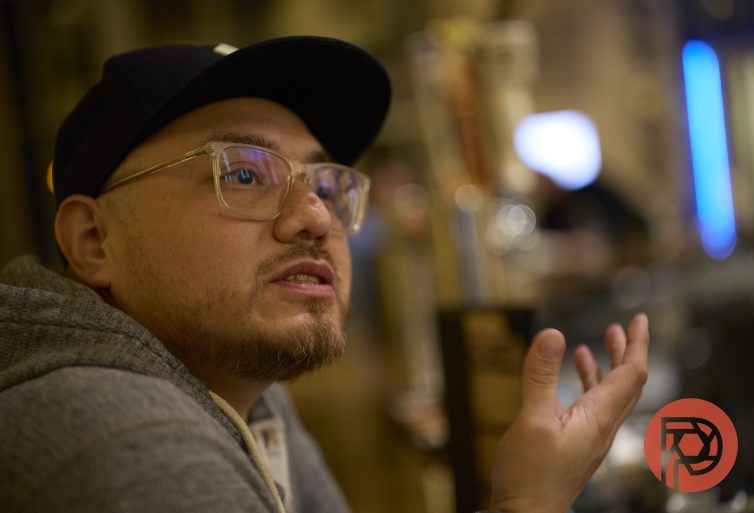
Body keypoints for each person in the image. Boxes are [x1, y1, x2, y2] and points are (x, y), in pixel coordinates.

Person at [0, 36, 649, 513]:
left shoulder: (243, 388)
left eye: (326, 182)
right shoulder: (120, 433)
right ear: (93, 241)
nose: (314, 214)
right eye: (245, 173)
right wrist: (529, 502)